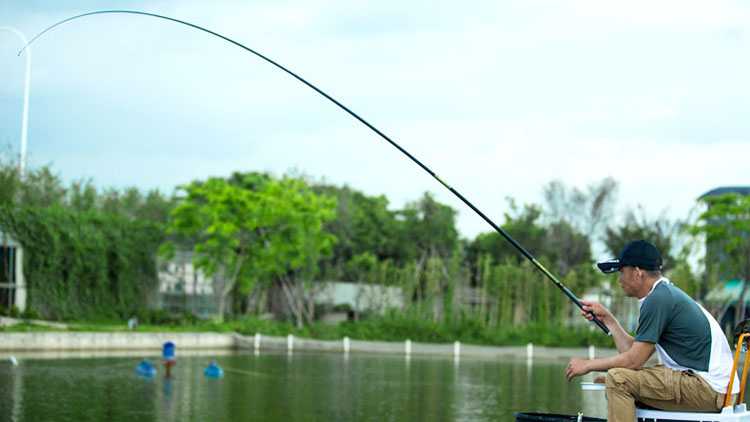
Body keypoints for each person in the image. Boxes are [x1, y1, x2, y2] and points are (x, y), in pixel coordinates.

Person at [565, 239, 739, 422]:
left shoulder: (658, 300)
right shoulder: (664, 294)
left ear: (638, 272)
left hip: (709, 390)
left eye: (622, 272)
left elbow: (633, 361)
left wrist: (587, 365)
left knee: (618, 379)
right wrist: (609, 320)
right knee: (619, 377)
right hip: (716, 390)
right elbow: (633, 354)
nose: (619, 280)